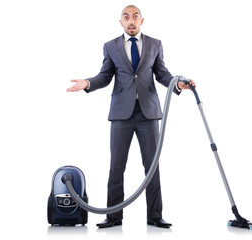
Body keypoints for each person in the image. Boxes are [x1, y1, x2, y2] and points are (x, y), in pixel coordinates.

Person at [67, 5, 195, 228]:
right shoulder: (110, 46)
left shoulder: (155, 44)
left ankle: (155, 216)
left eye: (135, 17)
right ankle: (114, 216)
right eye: (126, 18)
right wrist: (87, 83)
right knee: (116, 166)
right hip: (121, 114)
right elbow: (105, 76)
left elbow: (162, 73)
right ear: (121, 22)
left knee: (152, 166)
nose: (131, 21)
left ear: (142, 20)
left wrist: (177, 84)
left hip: (148, 113)